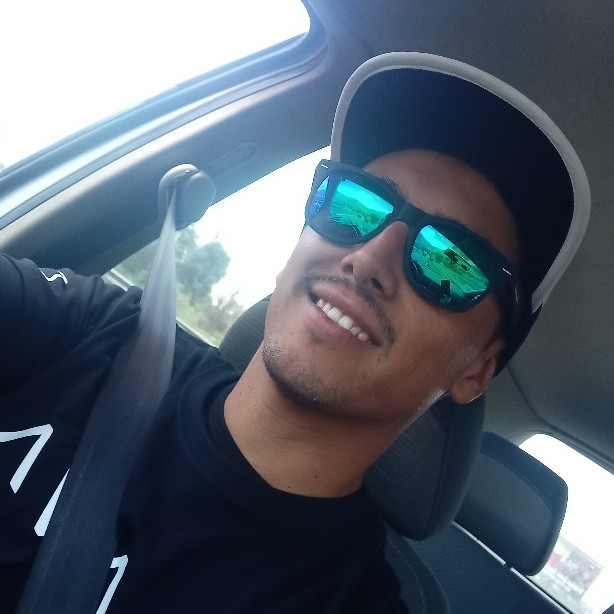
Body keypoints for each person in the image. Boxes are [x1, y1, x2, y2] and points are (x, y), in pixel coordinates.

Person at [0, 52, 590, 613]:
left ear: (476, 370)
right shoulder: (95, 332)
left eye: (451, 263)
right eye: (357, 204)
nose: (368, 258)